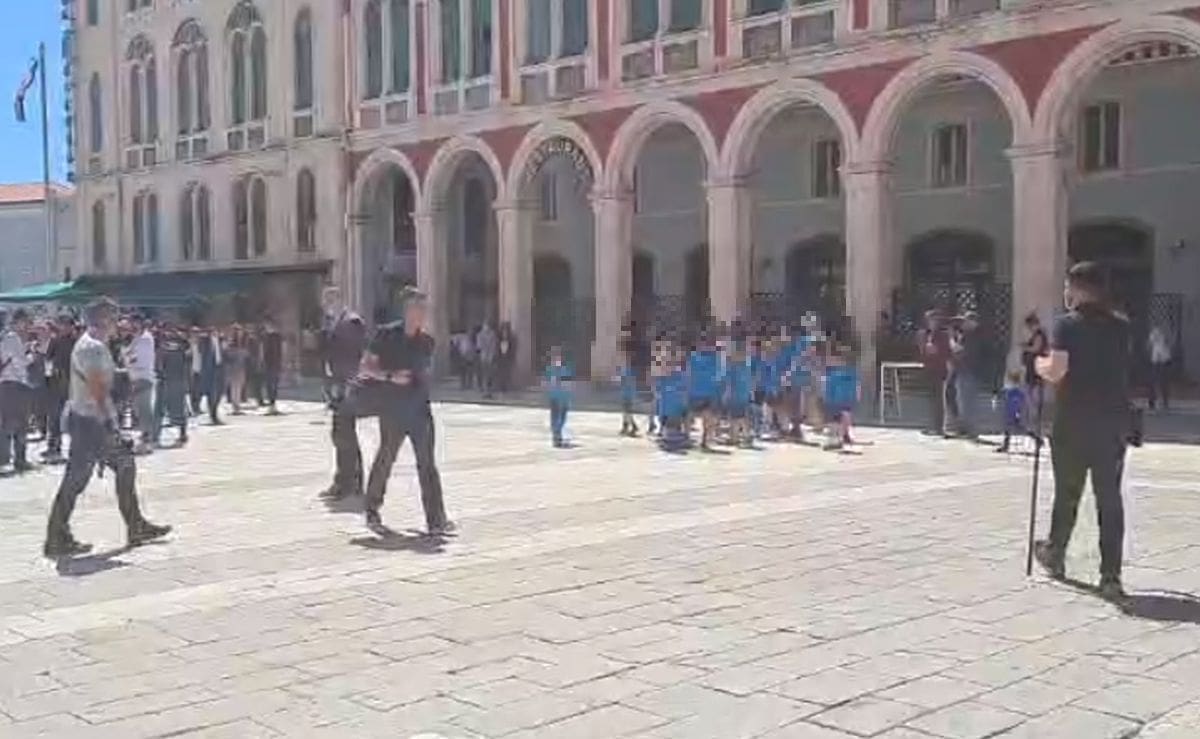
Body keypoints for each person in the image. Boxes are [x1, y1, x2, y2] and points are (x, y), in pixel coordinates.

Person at [1034, 261, 1133, 601]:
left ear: (1078, 288)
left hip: (1073, 421)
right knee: (1109, 499)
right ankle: (1111, 575)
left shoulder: (1067, 325)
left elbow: (1057, 370)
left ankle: (1056, 552)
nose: (1065, 293)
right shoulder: (1121, 327)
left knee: (1067, 493)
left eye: (1068, 287)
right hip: (1112, 422)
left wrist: (1040, 365)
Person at [43, 298, 171, 558]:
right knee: (77, 479)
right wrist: (112, 424)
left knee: (121, 466)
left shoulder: (93, 344)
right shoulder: (92, 348)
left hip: (88, 419)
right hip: (90, 422)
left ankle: (134, 526)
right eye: (115, 317)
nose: (119, 323)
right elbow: (98, 388)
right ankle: (57, 537)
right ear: (104, 319)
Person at [335, 288, 453, 535]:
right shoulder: (386, 335)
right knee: (385, 460)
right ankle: (371, 507)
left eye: (424, 309)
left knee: (427, 465)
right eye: (417, 308)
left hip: (420, 410)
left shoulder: (427, 342)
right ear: (407, 310)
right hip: (393, 409)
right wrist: (390, 376)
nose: (422, 314)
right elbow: (365, 367)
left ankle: (436, 520)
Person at [320, 290, 368, 500]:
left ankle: (347, 482)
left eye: (329, 300)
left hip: (347, 385)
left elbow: (356, 355)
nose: (326, 305)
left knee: (344, 434)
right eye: (325, 301)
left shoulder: (351, 322)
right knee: (342, 433)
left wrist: (349, 384)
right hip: (338, 383)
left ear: (339, 300)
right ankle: (348, 480)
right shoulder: (336, 322)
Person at [0, 310, 33, 473]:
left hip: (7, 383)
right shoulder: (11, 338)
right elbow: (20, 362)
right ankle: (15, 459)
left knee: (11, 423)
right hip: (15, 384)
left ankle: (10, 458)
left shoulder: (7, 337)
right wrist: (31, 356)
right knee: (17, 423)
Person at [42, 315, 75, 463]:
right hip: (56, 383)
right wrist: (50, 372)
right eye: (62, 324)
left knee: (71, 418)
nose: (64, 328)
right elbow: (48, 358)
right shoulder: (55, 341)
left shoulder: (76, 342)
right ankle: (53, 447)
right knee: (54, 417)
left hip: (72, 384)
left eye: (67, 325)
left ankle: (76, 448)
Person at [124, 315, 157, 454]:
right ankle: (145, 438)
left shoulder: (145, 339)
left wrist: (128, 359)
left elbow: (139, 359)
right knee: (139, 410)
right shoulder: (137, 338)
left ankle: (148, 441)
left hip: (143, 377)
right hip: (136, 377)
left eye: (133, 323)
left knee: (144, 410)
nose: (131, 326)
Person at [950, 312, 986, 441]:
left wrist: (952, 341)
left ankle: (971, 430)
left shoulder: (974, 336)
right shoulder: (967, 335)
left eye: (967, 321)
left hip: (969, 371)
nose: (964, 323)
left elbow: (960, 351)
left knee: (968, 402)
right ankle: (965, 429)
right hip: (964, 370)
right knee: (962, 401)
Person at [155, 324, 190, 446]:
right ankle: (156, 435)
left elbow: (186, 358)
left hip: (174, 381)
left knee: (176, 409)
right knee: (161, 409)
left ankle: (182, 433)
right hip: (168, 380)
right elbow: (159, 363)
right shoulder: (161, 344)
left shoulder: (181, 345)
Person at [918, 311, 952, 436]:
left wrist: (937, 350)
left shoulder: (943, 335)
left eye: (934, 320)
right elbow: (920, 350)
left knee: (939, 399)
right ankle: (931, 425)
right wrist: (925, 349)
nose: (932, 323)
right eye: (930, 320)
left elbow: (947, 352)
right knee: (930, 399)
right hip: (928, 369)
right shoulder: (923, 334)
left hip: (939, 369)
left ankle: (940, 426)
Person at [821, 344, 859, 451]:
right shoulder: (830, 373)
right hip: (835, 400)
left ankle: (841, 437)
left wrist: (855, 395)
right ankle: (840, 437)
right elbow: (826, 387)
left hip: (841, 400)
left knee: (841, 418)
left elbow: (855, 386)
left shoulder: (846, 373)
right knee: (836, 420)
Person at [687, 333, 722, 451]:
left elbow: (719, 375)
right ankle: (691, 438)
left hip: (706, 392)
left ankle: (703, 440)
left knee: (705, 418)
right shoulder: (694, 356)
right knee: (692, 416)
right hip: (697, 391)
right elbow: (688, 374)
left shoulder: (714, 358)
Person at [725, 342, 754, 448]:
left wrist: (726, 393)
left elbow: (729, 383)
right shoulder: (746, 367)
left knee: (738, 418)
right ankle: (737, 436)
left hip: (737, 396)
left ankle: (742, 436)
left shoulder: (735, 368)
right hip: (742, 396)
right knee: (738, 417)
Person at [544, 345, 572, 448]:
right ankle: (556, 436)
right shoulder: (552, 370)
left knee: (560, 417)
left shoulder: (563, 370)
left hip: (561, 397)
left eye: (558, 358)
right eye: (555, 358)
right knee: (556, 417)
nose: (556, 360)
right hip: (556, 397)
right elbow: (548, 383)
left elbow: (567, 384)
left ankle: (557, 436)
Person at [996, 369, 1026, 454]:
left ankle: (1037, 438)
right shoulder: (1014, 391)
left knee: (1012, 429)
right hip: (1011, 412)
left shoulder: (1014, 392)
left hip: (1012, 413)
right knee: (1009, 430)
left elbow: (1018, 403)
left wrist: (1018, 412)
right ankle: (1005, 446)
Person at [1147, 324, 1172, 412]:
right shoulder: (1155, 332)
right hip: (1157, 360)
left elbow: (1168, 342)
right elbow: (1150, 344)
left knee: (1163, 381)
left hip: (1164, 360)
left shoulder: (1167, 332)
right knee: (1155, 381)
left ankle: (1163, 401)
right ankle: (1153, 401)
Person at [261, 318, 284, 415]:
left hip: (274, 364)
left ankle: (272, 405)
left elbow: (279, 351)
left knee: (273, 385)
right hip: (269, 364)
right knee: (270, 385)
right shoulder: (265, 337)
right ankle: (272, 405)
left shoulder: (275, 337)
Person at [225, 326, 249, 415]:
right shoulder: (233, 343)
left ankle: (236, 405)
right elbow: (228, 356)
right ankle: (235, 406)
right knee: (235, 387)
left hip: (239, 368)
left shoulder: (242, 342)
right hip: (235, 368)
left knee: (237, 387)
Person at [617, 349, 639, 437]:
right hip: (627, 392)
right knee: (626, 411)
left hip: (627, 393)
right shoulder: (628, 370)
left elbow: (625, 381)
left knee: (627, 410)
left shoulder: (628, 370)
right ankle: (626, 426)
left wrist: (620, 380)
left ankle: (632, 426)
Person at [476, 321, 498, 399]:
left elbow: (493, 345)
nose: (486, 328)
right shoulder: (480, 335)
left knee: (489, 375)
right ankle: (486, 391)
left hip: (488, 356)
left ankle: (488, 391)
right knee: (485, 374)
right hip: (485, 356)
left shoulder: (491, 334)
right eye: (485, 326)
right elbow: (479, 346)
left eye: (487, 326)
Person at [496, 322, 516, 393]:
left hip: (508, 358)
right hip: (500, 358)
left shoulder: (512, 339)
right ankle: (501, 386)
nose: (505, 332)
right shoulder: (498, 339)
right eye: (503, 330)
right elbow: (496, 348)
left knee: (507, 373)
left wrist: (511, 356)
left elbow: (513, 348)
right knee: (500, 372)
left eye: (506, 330)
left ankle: (506, 386)